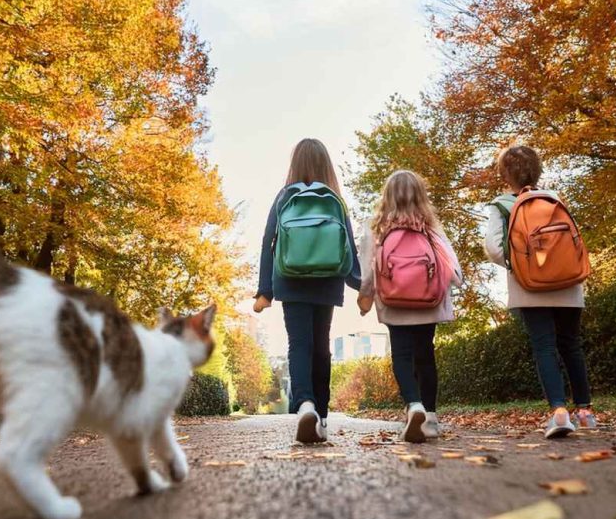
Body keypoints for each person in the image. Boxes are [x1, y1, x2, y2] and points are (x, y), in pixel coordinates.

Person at [483, 145, 595, 438]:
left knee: (545, 346)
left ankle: (559, 411)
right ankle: (585, 412)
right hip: (568, 283)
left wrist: (520, 263)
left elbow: (494, 248)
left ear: (505, 174)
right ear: (538, 169)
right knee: (571, 345)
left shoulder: (502, 205)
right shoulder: (554, 199)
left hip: (529, 286)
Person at [254, 139, 361, 443]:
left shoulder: (285, 195)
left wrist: (265, 291)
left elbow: (268, 242)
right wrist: (358, 283)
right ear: (326, 164)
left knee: (298, 343)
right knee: (321, 347)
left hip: (290, 277)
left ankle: (305, 405)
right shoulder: (335, 199)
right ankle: (322, 420)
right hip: (327, 279)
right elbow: (348, 244)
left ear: (295, 163)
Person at [357, 171, 463, 443]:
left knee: (402, 356)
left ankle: (413, 404)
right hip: (427, 301)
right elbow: (452, 266)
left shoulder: (377, 227)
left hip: (394, 302)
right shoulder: (429, 226)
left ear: (387, 196)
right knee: (425, 356)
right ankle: (431, 417)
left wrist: (365, 296)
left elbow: (368, 268)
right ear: (420, 195)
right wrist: (454, 283)